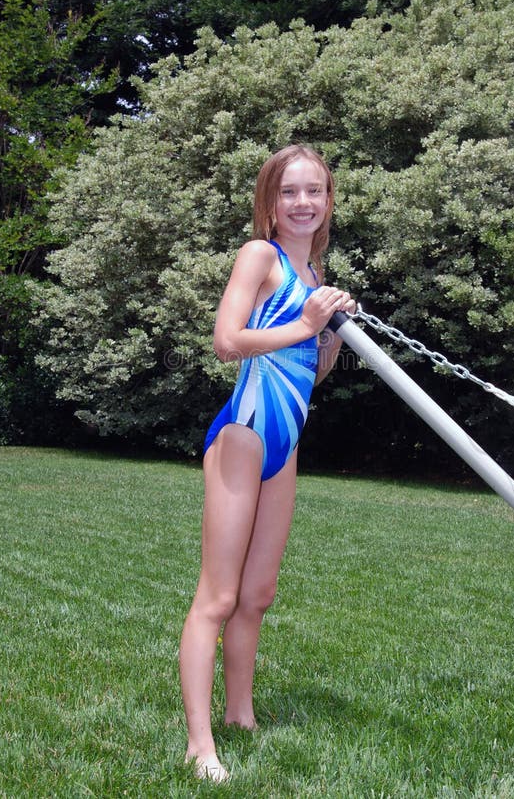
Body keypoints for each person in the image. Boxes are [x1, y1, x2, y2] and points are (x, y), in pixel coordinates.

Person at [179, 144, 355, 782]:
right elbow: (228, 343)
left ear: (329, 200)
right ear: (270, 203)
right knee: (218, 596)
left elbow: (313, 368)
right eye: (289, 192)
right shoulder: (261, 257)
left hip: (287, 442)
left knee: (258, 594)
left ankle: (241, 718)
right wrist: (306, 322)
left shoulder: (316, 278)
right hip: (245, 433)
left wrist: (329, 330)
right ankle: (201, 747)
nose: (303, 202)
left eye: (314, 191)